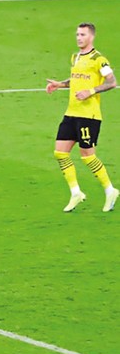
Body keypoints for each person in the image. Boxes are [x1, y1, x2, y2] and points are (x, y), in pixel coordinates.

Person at [46, 23, 119, 213]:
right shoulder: (76, 57)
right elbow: (77, 79)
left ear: (91, 37)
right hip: (71, 112)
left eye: (83, 35)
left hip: (89, 116)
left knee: (87, 156)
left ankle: (110, 191)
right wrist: (60, 84)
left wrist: (91, 91)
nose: (79, 38)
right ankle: (76, 193)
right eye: (77, 34)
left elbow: (112, 82)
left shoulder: (99, 59)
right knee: (60, 153)